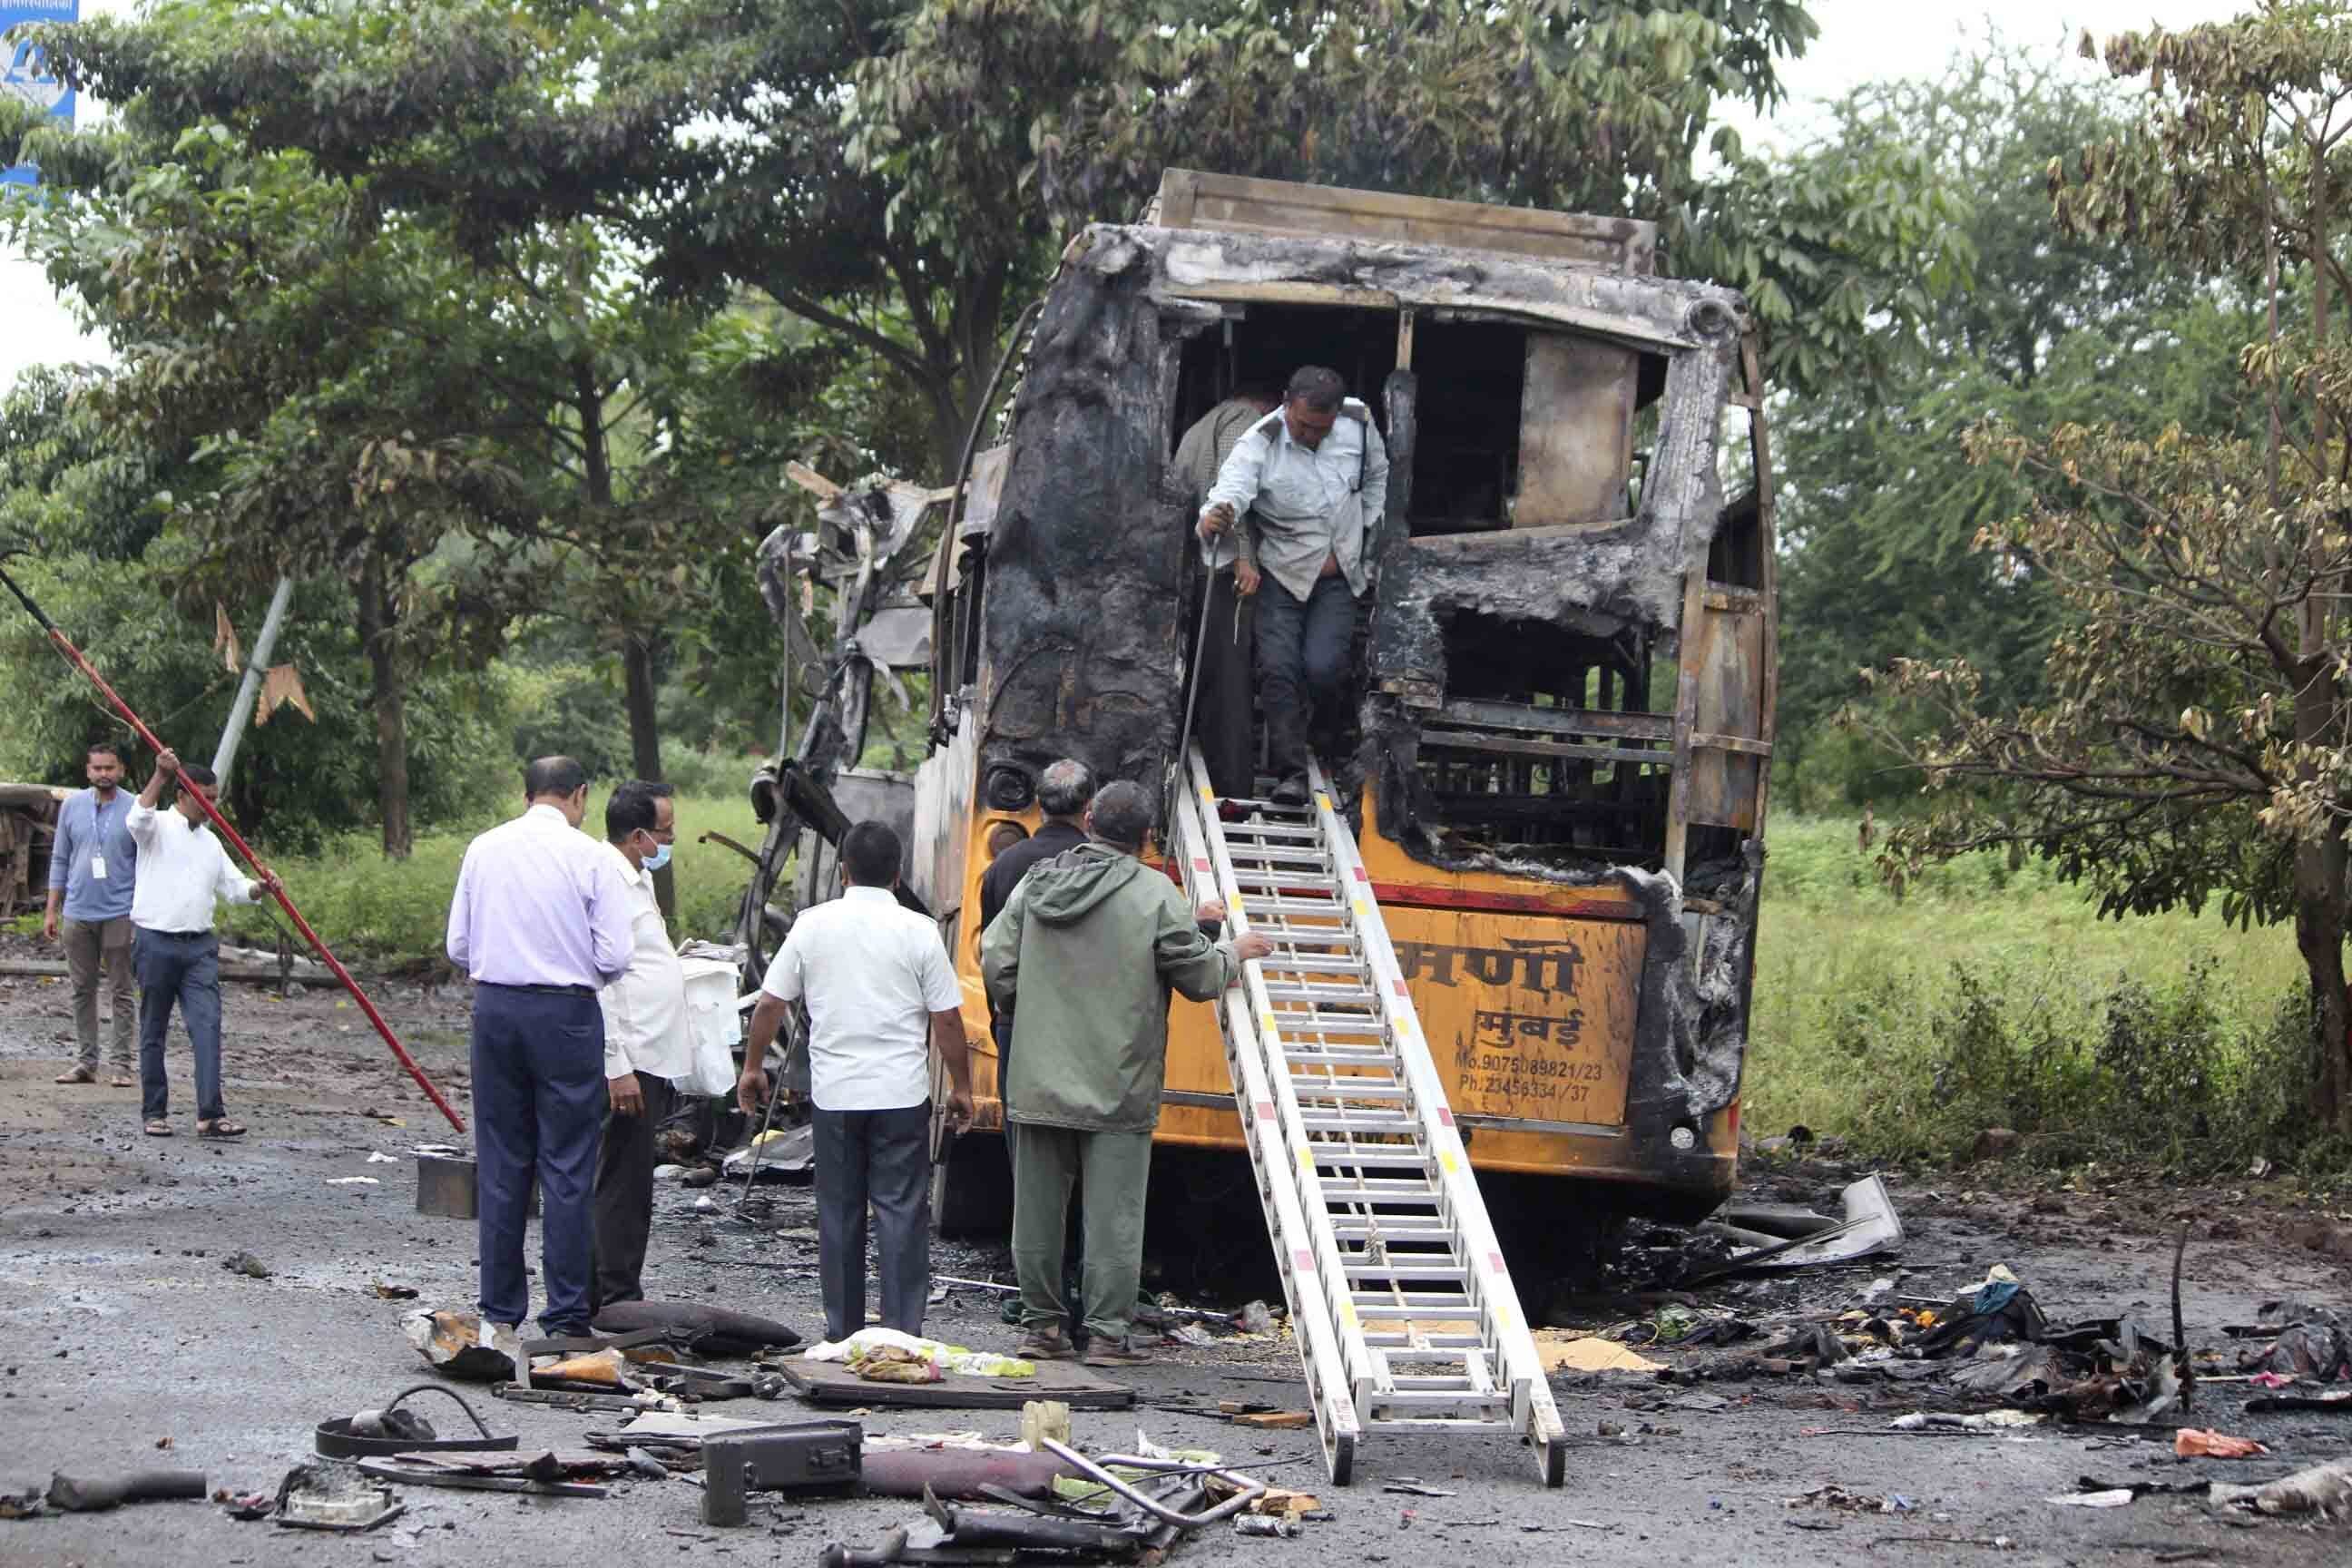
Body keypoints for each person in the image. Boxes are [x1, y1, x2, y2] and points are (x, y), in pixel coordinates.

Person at [979, 780, 1270, 1365]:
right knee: (1113, 1217)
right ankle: (1108, 1336)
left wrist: (1030, 1008)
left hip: (1038, 1076)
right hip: (1118, 1082)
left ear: (1088, 820)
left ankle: (1042, 1329)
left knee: (1036, 1211)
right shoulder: (1155, 893)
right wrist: (1233, 951)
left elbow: (994, 960)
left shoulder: (1040, 882)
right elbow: (1200, 978)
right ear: (1147, 838)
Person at [738, 820, 974, 1344]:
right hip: (900, 1094)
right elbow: (948, 1020)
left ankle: (843, 1334)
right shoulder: (919, 931)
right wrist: (962, 1085)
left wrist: (753, 1067)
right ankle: (901, 1335)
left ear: (843, 870)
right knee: (900, 1211)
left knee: (839, 1212)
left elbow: (772, 1002)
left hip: (837, 1095)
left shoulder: (812, 924)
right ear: (897, 875)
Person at [446, 757, 634, 1365]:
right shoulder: (593, 857)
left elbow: (459, 945)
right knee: (568, 1166)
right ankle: (565, 1317)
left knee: (503, 1163)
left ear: (525, 794)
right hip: (566, 1014)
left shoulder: (484, 847)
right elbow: (616, 956)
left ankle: (499, 1316)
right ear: (579, 796)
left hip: (496, 1010)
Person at [1199, 365, 1390, 803]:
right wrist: (1215, 518)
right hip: (1281, 575)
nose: (1310, 436)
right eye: (1303, 426)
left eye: (1321, 430)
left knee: (1323, 668)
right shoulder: (1259, 442)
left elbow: (1379, 477)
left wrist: (1369, 527)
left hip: (1339, 575)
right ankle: (1291, 774)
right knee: (1279, 671)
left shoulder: (1359, 424)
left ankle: (1324, 742)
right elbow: (1229, 493)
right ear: (1287, 404)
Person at [124, 749, 279, 1138]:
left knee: (207, 1027)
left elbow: (235, 887)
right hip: (155, 940)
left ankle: (211, 1113)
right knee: (153, 1029)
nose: (211, 805)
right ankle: (154, 1112)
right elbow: (136, 818)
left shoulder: (212, 842)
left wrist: (261, 887)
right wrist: (159, 774)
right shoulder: (156, 825)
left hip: (199, 948)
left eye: (215, 798)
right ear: (182, 795)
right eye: (203, 797)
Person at [591, 779, 690, 1314]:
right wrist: (617, 1066)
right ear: (637, 836)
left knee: (630, 1178)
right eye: (665, 832)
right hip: (628, 1055)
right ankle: (614, 1295)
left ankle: (606, 1289)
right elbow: (600, 981)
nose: (670, 840)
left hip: (648, 1048)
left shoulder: (637, 876)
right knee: (621, 1180)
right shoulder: (608, 881)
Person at [1170, 386, 1279, 799]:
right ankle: (1233, 787)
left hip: (1195, 569)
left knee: (1209, 677)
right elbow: (1228, 492)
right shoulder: (1244, 421)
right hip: (1222, 571)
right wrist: (1243, 556)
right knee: (1231, 685)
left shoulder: (1198, 428)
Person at [46, 740, 139, 1088]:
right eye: (97, 768)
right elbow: (59, 859)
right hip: (78, 911)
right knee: (81, 988)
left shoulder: (135, 808)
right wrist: (52, 909)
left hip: (119, 910)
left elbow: (144, 862)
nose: (103, 774)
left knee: (121, 989)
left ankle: (122, 1065)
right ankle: (86, 1063)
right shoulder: (71, 806)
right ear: (87, 771)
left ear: (121, 770)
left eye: (109, 767)